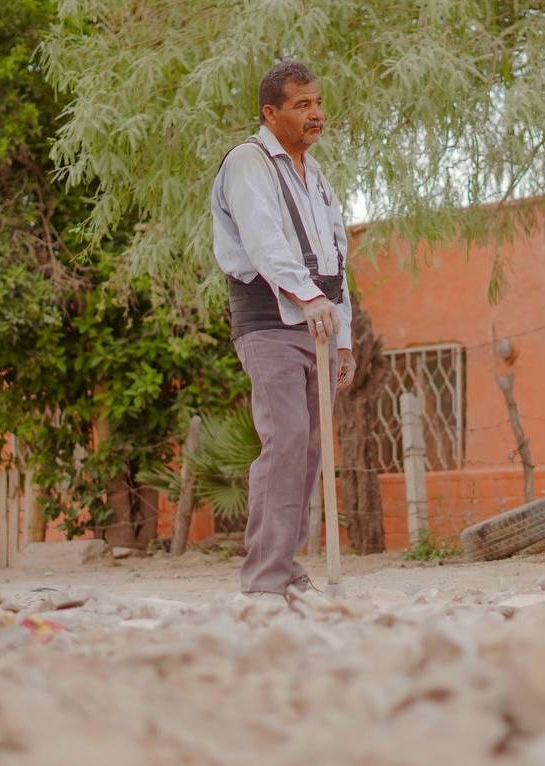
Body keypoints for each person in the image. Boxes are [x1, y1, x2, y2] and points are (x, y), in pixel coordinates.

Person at [211, 59, 355, 598]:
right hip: (270, 322)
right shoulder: (248, 163)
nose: (316, 114)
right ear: (271, 114)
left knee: (311, 447)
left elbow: (336, 262)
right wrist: (308, 297)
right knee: (287, 439)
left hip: (319, 323)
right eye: (302, 105)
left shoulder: (316, 178)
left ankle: (289, 573)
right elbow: (264, 242)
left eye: (318, 102)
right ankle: (265, 581)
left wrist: (344, 341)